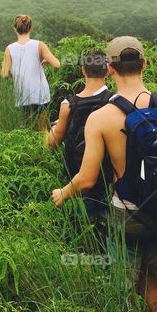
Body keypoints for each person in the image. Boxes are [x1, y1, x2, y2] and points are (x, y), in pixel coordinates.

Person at [51, 36, 157, 312]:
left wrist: (63, 192)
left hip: (125, 212)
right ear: (144, 64)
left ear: (110, 69)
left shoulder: (101, 118)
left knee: (123, 284)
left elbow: (86, 179)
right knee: (154, 279)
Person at [46, 49, 112, 226]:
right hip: (109, 180)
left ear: (83, 70)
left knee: (83, 228)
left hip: (76, 181)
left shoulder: (68, 104)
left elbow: (53, 142)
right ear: (108, 70)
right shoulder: (115, 101)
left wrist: (47, 131)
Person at [0, 14, 60, 127]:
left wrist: (15, 75)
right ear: (31, 28)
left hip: (22, 94)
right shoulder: (39, 45)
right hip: (40, 94)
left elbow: (4, 73)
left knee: (26, 129)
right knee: (42, 129)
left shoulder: (9, 49)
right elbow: (57, 64)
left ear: (15, 29)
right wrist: (46, 61)